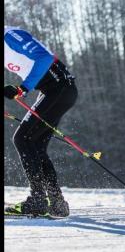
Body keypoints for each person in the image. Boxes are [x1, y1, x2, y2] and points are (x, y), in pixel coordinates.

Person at [4, 26, 78, 217]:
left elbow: (44, 58)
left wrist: (22, 88)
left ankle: (37, 200)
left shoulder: (10, 36)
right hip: (55, 91)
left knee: (23, 139)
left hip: (59, 88)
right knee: (34, 145)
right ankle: (57, 203)